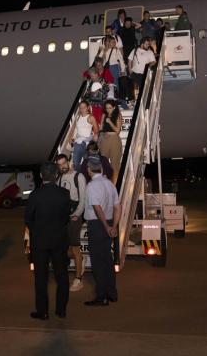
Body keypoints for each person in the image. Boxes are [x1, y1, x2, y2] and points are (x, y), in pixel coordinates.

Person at [24, 162, 71, 319]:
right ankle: (61, 310)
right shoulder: (64, 194)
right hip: (59, 240)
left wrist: (37, 231)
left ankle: (42, 311)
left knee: (41, 278)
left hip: (40, 242)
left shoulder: (35, 195)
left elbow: (28, 219)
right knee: (62, 276)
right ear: (57, 176)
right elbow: (66, 218)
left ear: (41, 176)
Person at [84, 159, 120, 306]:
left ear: (89, 170)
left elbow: (97, 209)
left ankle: (102, 296)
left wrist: (106, 226)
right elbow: (118, 206)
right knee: (107, 260)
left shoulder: (92, 186)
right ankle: (112, 293)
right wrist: (114, 226)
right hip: (110, 222)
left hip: (97, 225)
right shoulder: (110, 184)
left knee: (98, 263)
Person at [55, 154, 87, 292]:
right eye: (59, 164)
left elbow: (83, 199)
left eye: (64, 163)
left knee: (74, 248)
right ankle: (81, 259)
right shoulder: (59, 178)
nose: (62, 166)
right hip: (63, 217)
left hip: (74, 216)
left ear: (68, 162)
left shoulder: (78, 176)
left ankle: (78, 279)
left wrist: (76, 214)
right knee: (65, 249)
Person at [70, 100, 99, 171]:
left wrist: (94, 137)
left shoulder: (91, 117)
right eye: (80, 107)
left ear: (88, 108)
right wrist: (70, 138)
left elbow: (96, 130)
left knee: (87, 163)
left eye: (84, 107)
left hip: (87, 143)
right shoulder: (77, 117)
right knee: (76, 162)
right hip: (78, 142)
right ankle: (80, 176)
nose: (82, 109)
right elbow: (73, 129)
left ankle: (85, 177)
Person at [99, 100, 123, 185]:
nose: (108, 109)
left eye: (110, 108)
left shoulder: (118, 115)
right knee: (103, 163)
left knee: (115, 164)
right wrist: (102, 122)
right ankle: (105, 185)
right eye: (107, 108)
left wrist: (110, 122)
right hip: (105, 139)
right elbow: (101, 129)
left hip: (114, 140)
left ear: (114, 107)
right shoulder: (104, 115)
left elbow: (117, 131)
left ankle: (115, 186)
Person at [128, 37, 157, 101]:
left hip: (144, 73)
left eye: (148, 44)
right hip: (134, 72)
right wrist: (130, 70)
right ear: (142, 44)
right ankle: (135, 100)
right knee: (134, 88)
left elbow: (154, 62)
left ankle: (142, 100)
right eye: (146, 44)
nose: (148, 46)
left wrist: (148, 65)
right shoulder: (135, 50)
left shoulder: (150, 52)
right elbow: (130, 60)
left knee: (143, 88)